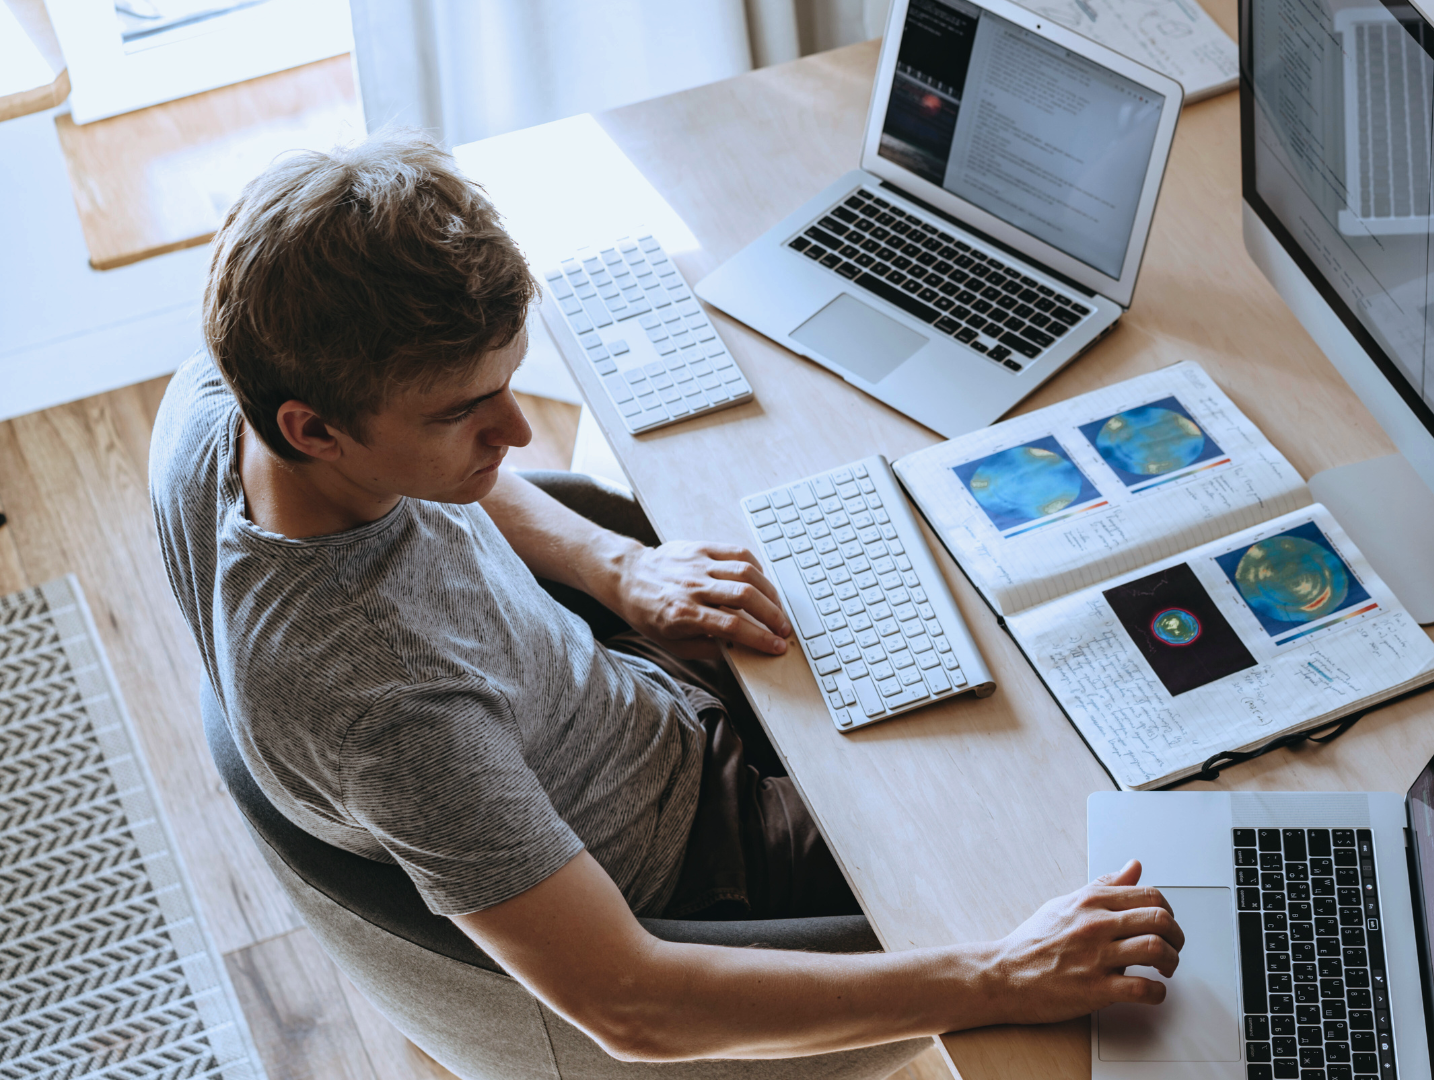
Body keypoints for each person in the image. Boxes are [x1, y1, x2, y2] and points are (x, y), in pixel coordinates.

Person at [149, 129, 1183, 1064]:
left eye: (511, 384)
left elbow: (435, 456)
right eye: (465, 413)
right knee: (1085, 817)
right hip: (703, 859)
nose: (514, 436)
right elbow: (631, 1003)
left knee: (963, 601)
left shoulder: (221, 398)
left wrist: (617, 570)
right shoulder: (387, 713)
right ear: (313, 429)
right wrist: (998, 978)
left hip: (622, 695)